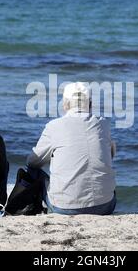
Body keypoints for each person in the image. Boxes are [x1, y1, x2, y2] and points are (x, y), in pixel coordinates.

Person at [27, 82, 117, 215]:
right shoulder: (103, 124)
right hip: (105, 205)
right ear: (90, 104)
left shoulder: (54, 126)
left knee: (33, 171)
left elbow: (33, 161)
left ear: (65, 104)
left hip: (64, 208)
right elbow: (110, 155)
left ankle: (35, 209)